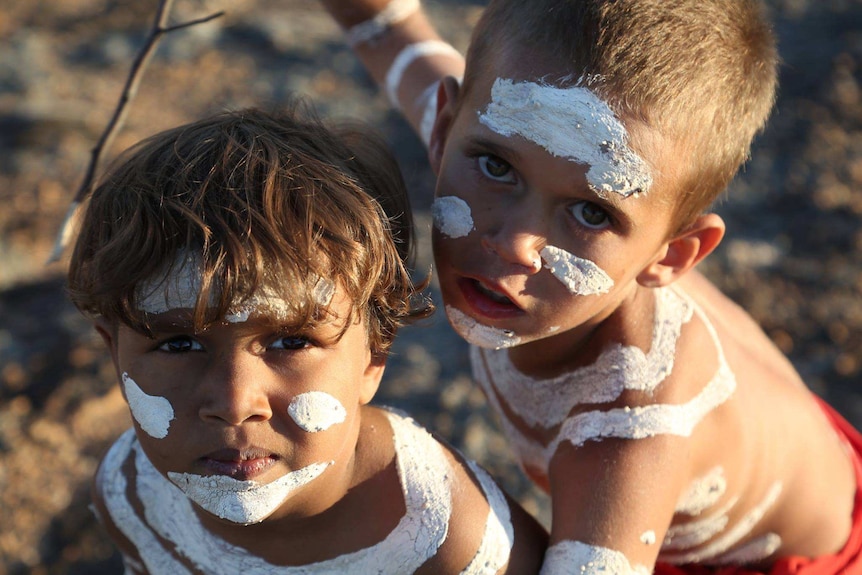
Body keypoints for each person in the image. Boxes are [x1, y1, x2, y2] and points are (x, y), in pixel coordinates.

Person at [315, 1, 862, 573]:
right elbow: (386, 29)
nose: (516, 243)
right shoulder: (519, 115)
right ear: (447, 129)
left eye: (590, 213)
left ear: (670, 255)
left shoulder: (625, 439)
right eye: (498, 169)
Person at [66, 104, 549, 574]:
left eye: (290, 342)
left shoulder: (447, 538)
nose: (236, 403)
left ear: (373, 356)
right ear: (115, 353)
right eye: (178, 345)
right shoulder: (131, 496)